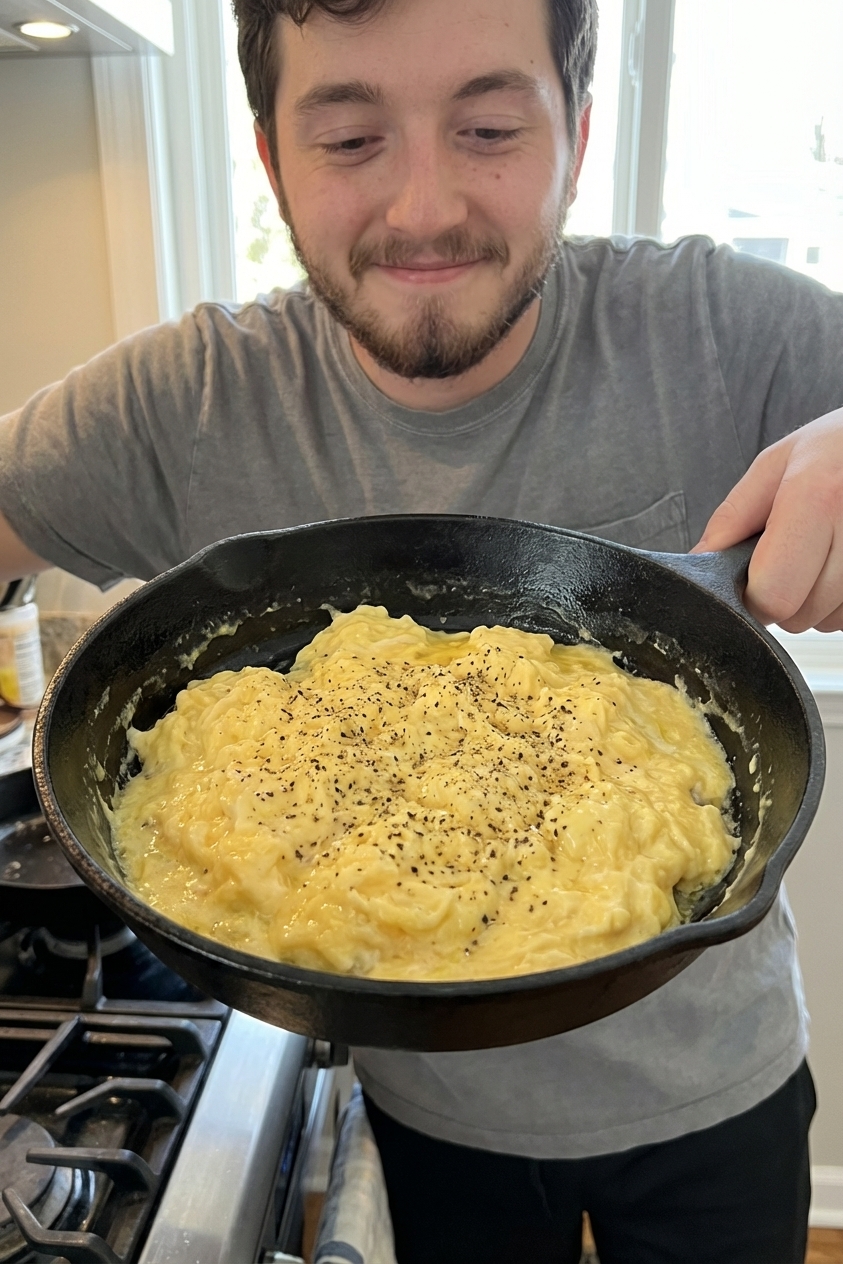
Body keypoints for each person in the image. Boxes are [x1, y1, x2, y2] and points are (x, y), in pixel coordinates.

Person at [1, 0, 842, 1259]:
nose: (425, 208)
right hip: (426, 1122)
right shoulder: (183, 402)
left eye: (491, 126)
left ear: (580, 130)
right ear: (272, 156)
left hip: (717, 1094)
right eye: (349, 140)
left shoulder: (727, 332)